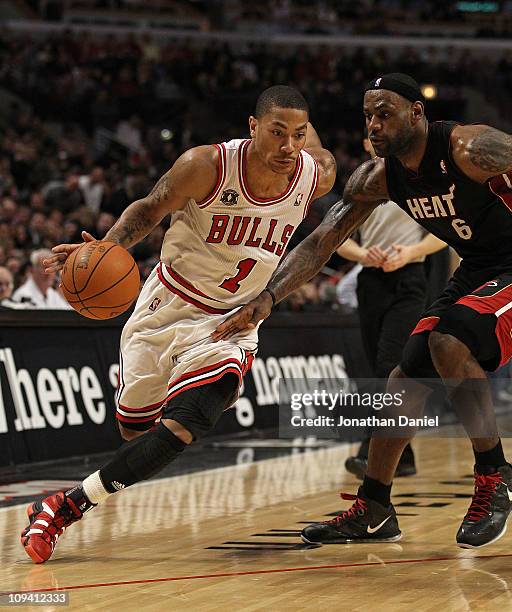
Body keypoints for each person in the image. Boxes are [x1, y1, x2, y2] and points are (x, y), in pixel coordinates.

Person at [20, 85, 336, 563]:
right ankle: (72, 496)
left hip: (233, 319)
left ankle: (67, 505)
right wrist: (103, 250)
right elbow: (148, 209)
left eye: (298, 135)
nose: (288, 147)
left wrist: (269, 299)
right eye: (277, 133)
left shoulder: (317, 175)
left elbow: (318, 229)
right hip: (169, 305)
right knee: (136, 432)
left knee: (189, 423)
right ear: (252, 128)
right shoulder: (206, 166)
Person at [213, 73, 512, 549]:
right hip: (481, 266)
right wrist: (269, 297)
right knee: (407, 373)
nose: (375, 125)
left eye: (386, 113)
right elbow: (323, 242)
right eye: (368, 116)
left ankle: (494, 476)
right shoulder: (379, 177)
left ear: (416, 113)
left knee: (451, 341)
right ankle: (376, 506)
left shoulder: (469, 147)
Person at [337, 135, 446, 479]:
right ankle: (406, 455)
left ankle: (370, 451)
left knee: (390, 363)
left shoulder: (418, 181)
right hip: (371, 280)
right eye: (368, 133)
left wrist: (409, 253)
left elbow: (442, 233)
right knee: (378, 369)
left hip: (410, 279)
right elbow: (336, 238)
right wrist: (362, 255)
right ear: (366, 144)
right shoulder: (359, 183)